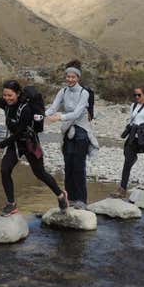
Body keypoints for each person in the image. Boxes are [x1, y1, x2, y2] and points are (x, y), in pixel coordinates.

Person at [0, 79, 69, 216]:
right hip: (15, 145)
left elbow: (19, 133)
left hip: (29, 143)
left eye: (10, 95)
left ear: (18, 94)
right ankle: (11, 204)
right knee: (5, 169)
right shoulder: (6, 104)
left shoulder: (25, 109)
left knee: (40, 173)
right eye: (5, 95)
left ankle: (61, 195)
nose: (7, 98)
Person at [45, 60, 99, 210]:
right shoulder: (62, 91)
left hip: (81, 132)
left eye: (73, 77)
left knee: (78, 166)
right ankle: (70, 198)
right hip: (67, 131)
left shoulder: (84, 93)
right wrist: (41, 115)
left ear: (78, 78)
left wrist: (59, 117)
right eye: (68, 77)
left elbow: (76, 113)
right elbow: (53, 108)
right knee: (68, 166)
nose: (70, 79)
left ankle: (81, 200)